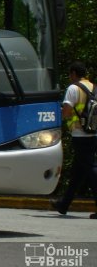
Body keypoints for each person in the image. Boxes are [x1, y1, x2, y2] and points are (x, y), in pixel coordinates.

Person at [50, 61, 97, 219]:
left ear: (74, 74)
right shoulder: (94, 87)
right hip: (92, 134)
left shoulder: (73, 88)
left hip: (79, 134)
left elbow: (67, 111)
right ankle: (64, 205)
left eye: (70, 74)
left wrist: (63, 117)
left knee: (91, 170)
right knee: (77, 172)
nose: (70, 77)